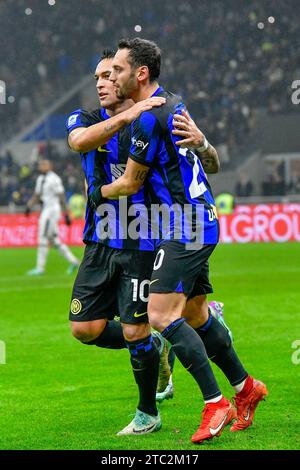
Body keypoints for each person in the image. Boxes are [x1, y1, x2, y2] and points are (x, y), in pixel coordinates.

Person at [90, 38, 267, 443]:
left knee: (160, 316)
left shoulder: (149, 117)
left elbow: (132, 182)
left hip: (183, 224)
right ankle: (245, 388)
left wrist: (96, 193)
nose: (110, 76)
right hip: (196, 219)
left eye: (116, 70)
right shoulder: (175, 103)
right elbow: (212, 163)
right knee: (195, 313)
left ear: (140, 74)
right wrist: (204, 144)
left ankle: (214, 402)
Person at [67, 50, 167, 435]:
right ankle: (155, 347)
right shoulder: (86, 118)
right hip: (99, 241)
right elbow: (79, 142)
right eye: (97, 77)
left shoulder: (149, 122)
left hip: (141, 240)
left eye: (109, 75)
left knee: (133, 330)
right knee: (85, 328)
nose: (100, 83)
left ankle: (147, 414)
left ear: (127, 79)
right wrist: (126, 116)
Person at [25, 159, 80, 275]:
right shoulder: (40, 179)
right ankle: (74, 261)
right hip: (45, 210)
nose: (42, 166)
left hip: (51, 211)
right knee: (54, 240)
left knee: (43, 237)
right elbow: (37, 195)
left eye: (44, 164)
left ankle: (40, 268)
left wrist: (66, 214)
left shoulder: (54, 179)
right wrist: (29, 206)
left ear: (50, 166)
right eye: (41, 164)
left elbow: (61, 196)